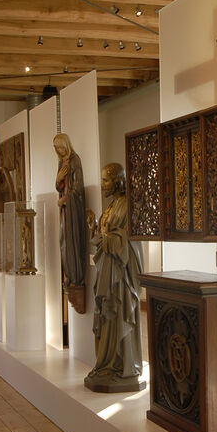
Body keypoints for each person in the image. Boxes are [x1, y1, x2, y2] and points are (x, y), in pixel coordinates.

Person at [85, 162, 145, 392]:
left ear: (118, 181)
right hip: (107, 271)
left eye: (105, 180)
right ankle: (108, 363)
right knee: (107, 315)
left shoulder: (128, 205)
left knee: (118, 313)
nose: (102, 185)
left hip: (121, 275)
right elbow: (104, 236)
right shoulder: (111, 205)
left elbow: (129, 240)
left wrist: (108, 238)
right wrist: (94, 228)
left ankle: (122, 364)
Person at [54, 134, 91, 315]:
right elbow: (60, 186)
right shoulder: (62, 163)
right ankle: (69, 277)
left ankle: (76, 278)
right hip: (65, 212)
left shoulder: (75, 161)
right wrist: (58, 179)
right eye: (56, 148)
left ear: (66, 145)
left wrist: (65, 199)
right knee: (64, 243)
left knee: (73, 243)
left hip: (73, 212)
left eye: (60, 147)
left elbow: (78, 189)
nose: (58, 151)